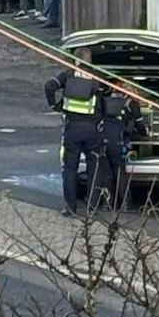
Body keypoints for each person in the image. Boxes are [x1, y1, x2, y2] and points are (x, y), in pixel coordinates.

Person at [44, 65, 124, 215]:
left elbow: (49, 86)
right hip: (93, 130)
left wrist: (54, 105)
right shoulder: (97, 78)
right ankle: (92, 208)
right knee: (94, 167)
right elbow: (109, 92)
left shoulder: (68, 75)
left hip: (72, 128)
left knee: (69, 169)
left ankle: (70, 208)